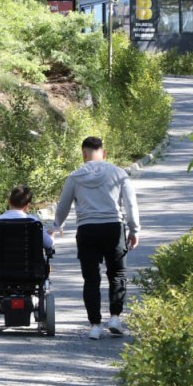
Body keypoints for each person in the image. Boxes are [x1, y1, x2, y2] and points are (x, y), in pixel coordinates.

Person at [50, 137, 140, 340]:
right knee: (117, 274)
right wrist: (134, 230)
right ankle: (115, 317)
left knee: (91, 279)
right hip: (113, 228)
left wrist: (56, 226)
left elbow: (63, 205)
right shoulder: (118, 173)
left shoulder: (75, 177)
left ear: (84, 154)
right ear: (104, 153)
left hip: (87, 229)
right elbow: (130, 205)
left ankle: (95, 325)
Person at [0, 184, 54, 250]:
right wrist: (51, 236)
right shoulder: (34, 222)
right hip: (29, 260)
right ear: (27, 205)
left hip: (2, 260)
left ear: (9, 201)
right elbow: (48, 244)